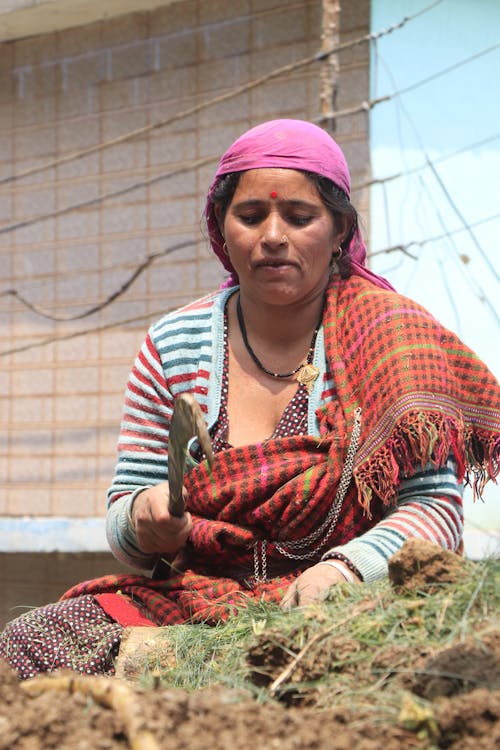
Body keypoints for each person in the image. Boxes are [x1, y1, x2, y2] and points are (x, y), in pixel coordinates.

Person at [1, 119, 499, 680]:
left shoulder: (393, 339)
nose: (273, 236)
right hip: (200, 603)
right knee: (31, 639)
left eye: (300, 217)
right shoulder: (173, 345)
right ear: (222, 229)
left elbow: (436, 509)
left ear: (339, 231)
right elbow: (125, 519)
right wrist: (144, 520)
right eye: (251, 215)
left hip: (345, 605)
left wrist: (344, 571)